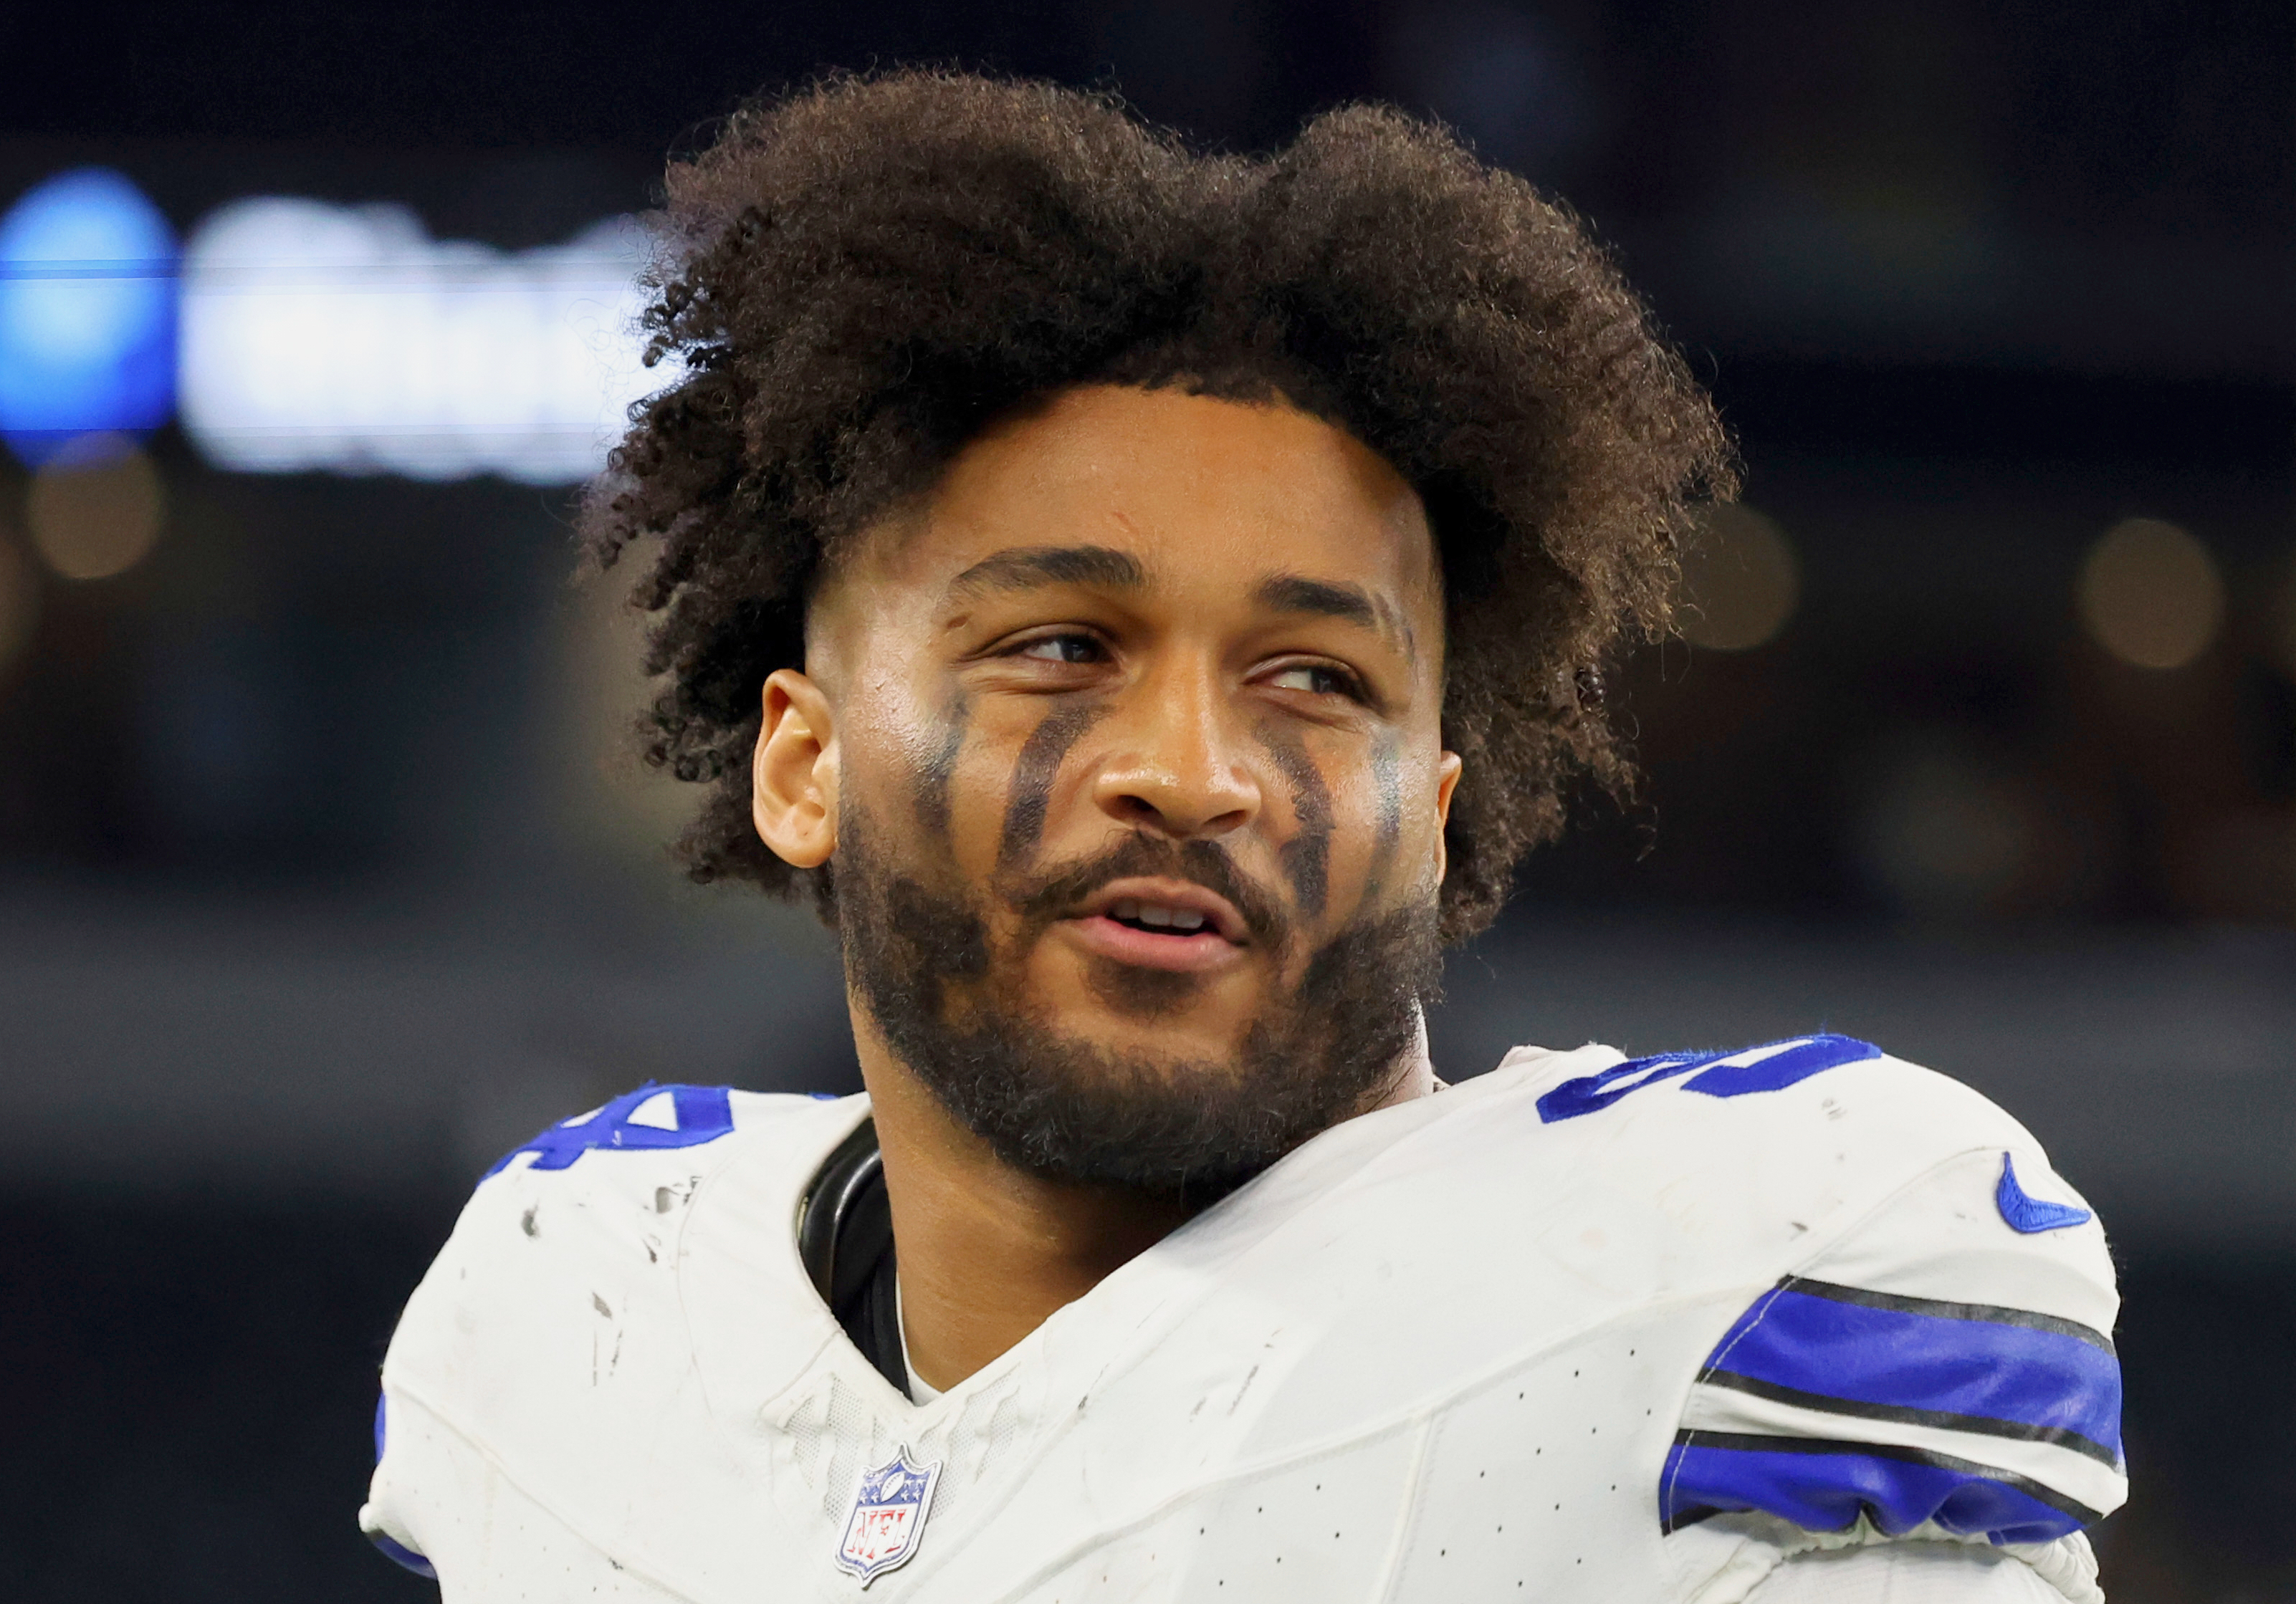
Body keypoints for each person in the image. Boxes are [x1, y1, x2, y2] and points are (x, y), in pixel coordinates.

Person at [360, 72, 2123, 1603]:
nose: (1194, 772)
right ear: (802, 766)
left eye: (1313, 676)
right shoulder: (579, 1299)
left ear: (1433, 815)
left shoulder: (1733, 1294)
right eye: (1062, 647)